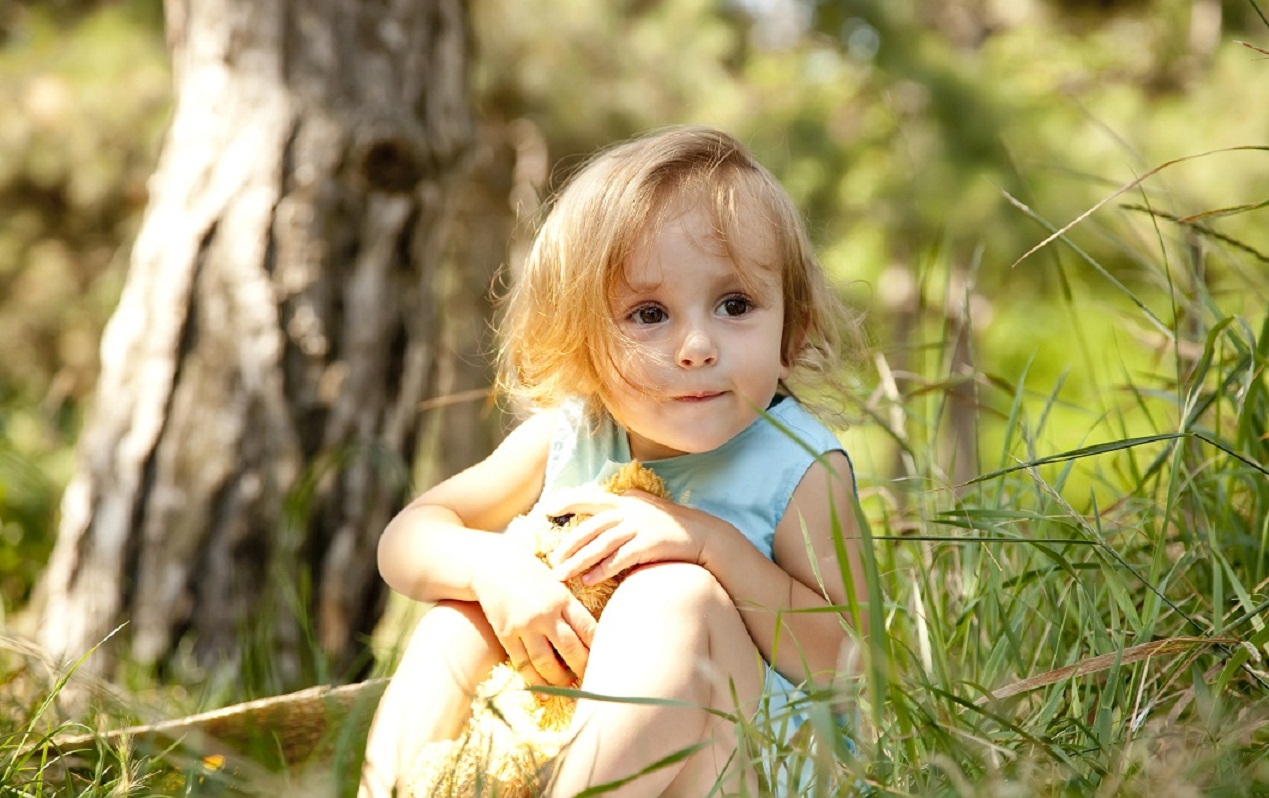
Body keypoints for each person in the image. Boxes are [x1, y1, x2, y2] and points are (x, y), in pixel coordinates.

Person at [359, 125, 866, 797]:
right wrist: (495, 571)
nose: (695, 345)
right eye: (648, 313)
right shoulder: (574, 434)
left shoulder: (798, 465)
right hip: (566, 749)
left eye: (734, 305)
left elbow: (847, 662)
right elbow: (408, 539)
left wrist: (709, 546)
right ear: (582, 340)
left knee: (674, 595)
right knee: (461, 618)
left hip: (745, 771)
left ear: (790, 332)